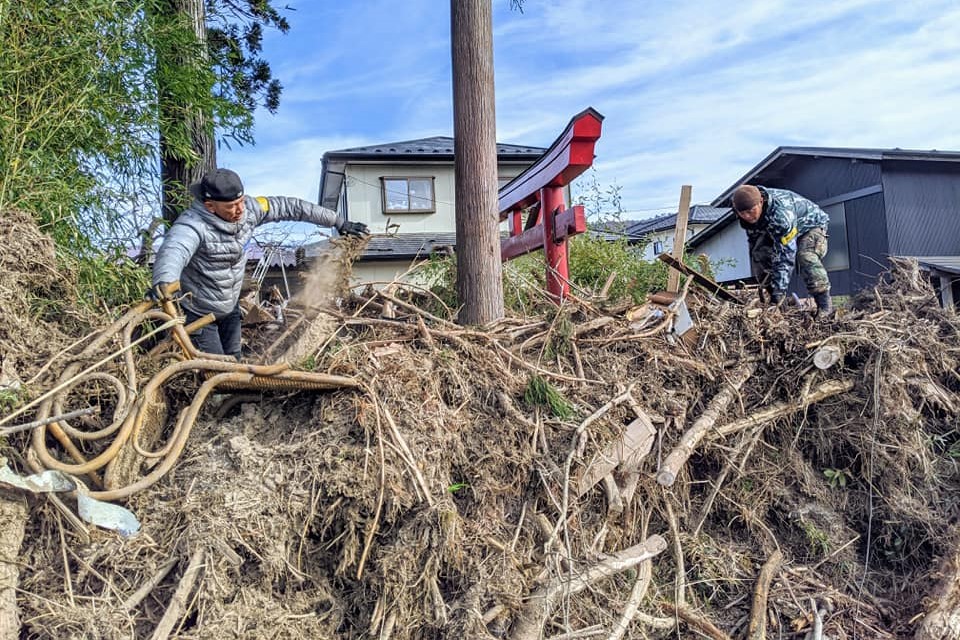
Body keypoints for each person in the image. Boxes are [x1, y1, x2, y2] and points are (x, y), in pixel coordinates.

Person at [151, 168, 368, 358]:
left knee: (234, 360)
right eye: (231, 206)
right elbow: (174, 250)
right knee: (213, 368)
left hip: (230, 306)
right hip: (200, 312)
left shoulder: (251, 210)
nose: (240, 210)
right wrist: (164, 281)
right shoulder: (192, 225)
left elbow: (291, 207)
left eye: (241, 202)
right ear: (210, 206)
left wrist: (338, 221)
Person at [731, 184, 832, 314]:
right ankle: (779, 305)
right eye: (743, 213)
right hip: (775, 229)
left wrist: (779, 291)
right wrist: (767, 280)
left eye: (751, 211)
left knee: (805, 256)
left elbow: (786, 255)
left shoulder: (781, 215)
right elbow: (754, 243)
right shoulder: (741, 209)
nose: (748, 216)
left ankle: (824, 307)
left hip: (811, 226)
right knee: (759, 254)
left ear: (761, 201)